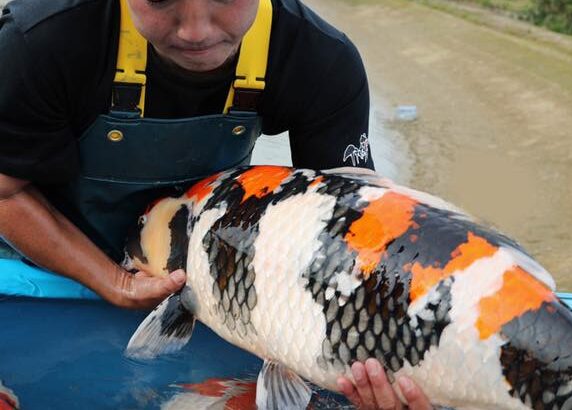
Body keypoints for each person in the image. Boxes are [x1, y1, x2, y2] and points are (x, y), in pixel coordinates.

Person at [0, 0, 431, 407]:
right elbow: (5, 192)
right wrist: (117, 282)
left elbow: (359, 236)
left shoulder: (320, 57)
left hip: (202, 275)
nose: (194, 31)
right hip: (32, 274)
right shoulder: (39, 40)